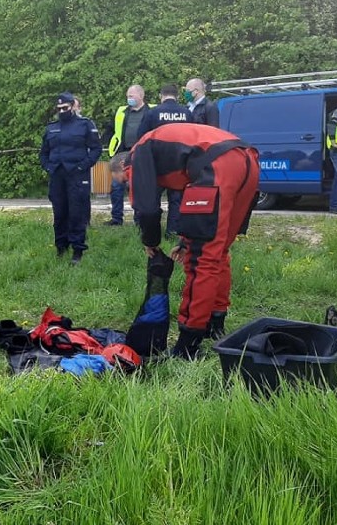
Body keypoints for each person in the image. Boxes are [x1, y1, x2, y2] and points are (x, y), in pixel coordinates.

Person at [110, 123, 259, 359]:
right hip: (247, 159)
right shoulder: (166, 151)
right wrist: (184, 240)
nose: (127, 185)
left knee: (201, 261)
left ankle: (188, 344)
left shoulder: (139, 152)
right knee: (217, 253)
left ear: (122, 165)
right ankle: (215, 323)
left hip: (217, 164)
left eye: (123, 181)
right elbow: (193, 202)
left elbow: (147, 208)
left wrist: (151, 241)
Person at [39, 91, 102, 263]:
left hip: (76, 175)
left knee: (77, 213)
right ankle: (61, 246)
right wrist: (48, 167)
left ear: (73, 107)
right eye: (58, 108)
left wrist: (82, 166)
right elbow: (43, 152)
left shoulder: (85, 125)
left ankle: (77, 249)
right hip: (57, 175)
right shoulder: (51, 127)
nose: (61, 111)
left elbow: (96, 149)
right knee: (59, 213)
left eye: (65, 108)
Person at [136, 84, 193, 235]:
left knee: (152, 200)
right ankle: (173, 231)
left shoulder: (153, 113)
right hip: (179, 164)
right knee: (176, 200)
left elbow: (141, 138)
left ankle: (150, 231)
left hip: (156, 164)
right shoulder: (187, 113)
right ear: (177, 96)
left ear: (161, 96)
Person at [105, 84, 153, 226]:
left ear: (141, 96)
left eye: (131, 96)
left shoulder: (151, 111)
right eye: (127, 96)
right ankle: (116, 219)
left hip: (141, 155)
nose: (128, 99)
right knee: (116, 186)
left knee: (137, 187)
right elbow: (111, 128)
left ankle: (138, 219)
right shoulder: (122, 111)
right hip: (122, 153)